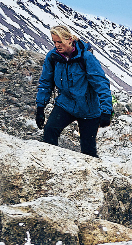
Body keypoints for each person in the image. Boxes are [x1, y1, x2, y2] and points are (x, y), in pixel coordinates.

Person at [34, 24, 112, 158]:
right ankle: (51, 165)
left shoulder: (86, 58)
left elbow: (101, 84)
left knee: (88, 152)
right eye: (54, 42)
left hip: (89, 109)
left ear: (70, 40)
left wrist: (106, 110)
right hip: (66, 104)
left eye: (60, 42)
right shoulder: (53, 58)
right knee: (50, 130)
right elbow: (46, 83)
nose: (57, 45)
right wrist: (40, 107)